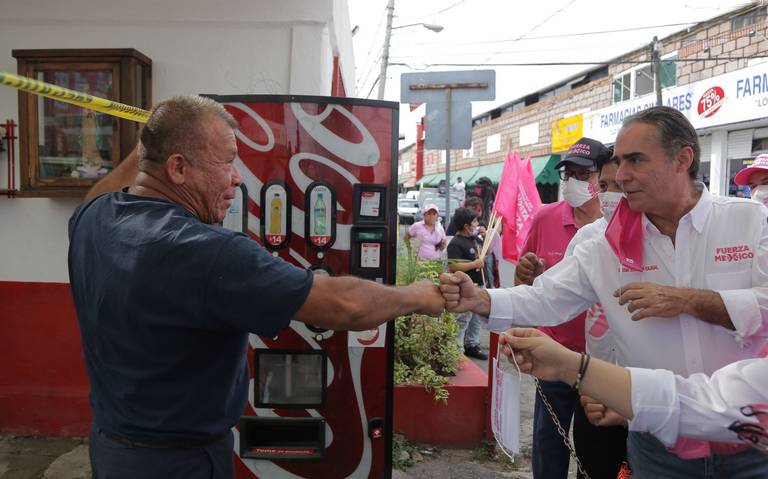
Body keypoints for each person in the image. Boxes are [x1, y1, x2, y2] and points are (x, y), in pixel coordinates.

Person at [68, 95, 445, 479]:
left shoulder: (92, 219)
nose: (237, 176)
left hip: (111, 447)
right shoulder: (206, 252)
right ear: (178, 167)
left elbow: (100, 191)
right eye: (227, 160)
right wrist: (418, 294)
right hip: (181, 463)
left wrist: (157, 133)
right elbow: (344, 305)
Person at [439, 106, 768, 478]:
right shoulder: (604, 242)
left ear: (683, 159)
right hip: (658, 442)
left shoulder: (750, 220)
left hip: (754, 441)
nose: (621, 176)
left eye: (635, 161)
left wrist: (686, 301)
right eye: (618, 163)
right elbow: (546, 296)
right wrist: (480, 299)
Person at [499, 327, 767, 453]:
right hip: (632, 421)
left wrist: (569, 367)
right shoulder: (595, 243)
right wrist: (568, 367)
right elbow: (706, 404)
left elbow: (708, 405)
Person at [513, 137, 607, 479]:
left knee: (595, 445)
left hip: (603, 360)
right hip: (553, 351)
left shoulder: (620, 221)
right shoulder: (546, 217)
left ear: (604, 176)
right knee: (548, 439)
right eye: (567, 174)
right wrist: (525, 273)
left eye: (583, 174)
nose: (571, 182)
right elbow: (525, 282)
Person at [446, 207, 488, 360]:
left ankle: (472, 345)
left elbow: (486, 253)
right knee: (463, 320)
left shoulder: (474, 239)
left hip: (480, 285)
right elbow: (453, 267)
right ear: (466, 226)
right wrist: (474, 264)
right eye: (475, 221)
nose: (477, 224)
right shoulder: (456, 243)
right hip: (465, 289)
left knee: (477, 319)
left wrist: (487, 236)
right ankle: (457, 352)